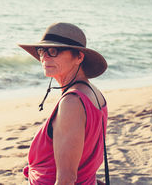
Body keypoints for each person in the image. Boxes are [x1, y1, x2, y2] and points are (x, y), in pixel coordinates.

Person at [18, 22, 108, 185]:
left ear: (79, 57)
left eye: (53, 51)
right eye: (42, 51)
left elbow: (66, 178)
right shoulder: (93, 92)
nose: (44, 57)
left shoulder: (72, 102)